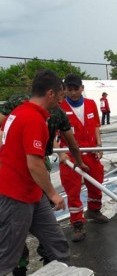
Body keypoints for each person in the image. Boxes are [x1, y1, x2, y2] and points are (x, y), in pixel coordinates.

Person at [0, 91, 88, 275]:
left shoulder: (48, 114)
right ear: (50, 93)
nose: (62, 100)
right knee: (9, 251)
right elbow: (33, 163)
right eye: (60, 95)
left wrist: (77, 161)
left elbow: (70, 142)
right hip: (15, 190)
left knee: (56, 242)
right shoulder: (29, 116)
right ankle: (18, 268)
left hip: (34, 188)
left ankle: (59, 267)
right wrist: (53, 193)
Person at [59, 74, 110, 243]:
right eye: (69, 90)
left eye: (76, 89)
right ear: (64, 90)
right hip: (70, 156)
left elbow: (96, 125)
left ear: (82, 88)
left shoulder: (90, 104)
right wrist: (60, 153)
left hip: (90, 152)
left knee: (97, 181)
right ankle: (77, 223)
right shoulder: (59, 107)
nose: (73, 93)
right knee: (72, 189)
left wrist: (99, 146)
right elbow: (52, 132)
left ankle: (94, 210)